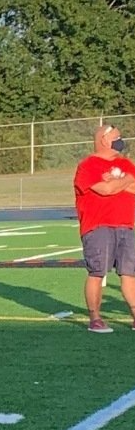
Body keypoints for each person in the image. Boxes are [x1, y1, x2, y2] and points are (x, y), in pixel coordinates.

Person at [72, 122, 135, 333]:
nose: (121, 140)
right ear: (104, 140)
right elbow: (105, 189)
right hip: (98, 226)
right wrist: (125, 181)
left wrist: (121, 181)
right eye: (116, 137)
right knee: (98, 271)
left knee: (129, 273)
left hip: (126, 225)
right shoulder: (88, 166)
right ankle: (95, 318)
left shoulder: (126, 164)